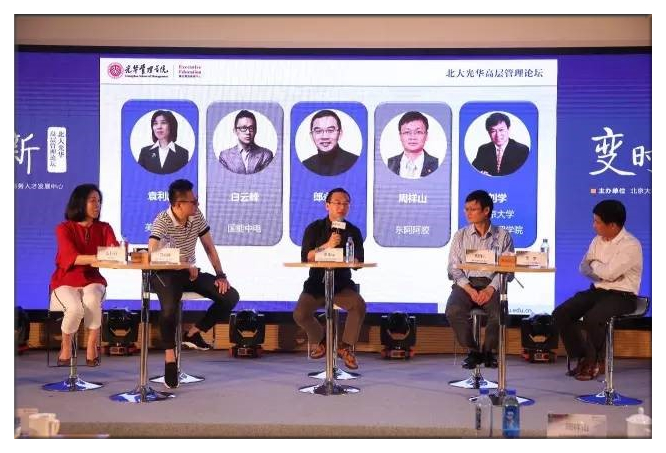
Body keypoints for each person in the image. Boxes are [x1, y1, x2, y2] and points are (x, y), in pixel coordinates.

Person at [148, 179, 240, 388]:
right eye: (193, 201)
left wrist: (220, 275)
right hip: (164, 274)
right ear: (178, 205)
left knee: (230, 296)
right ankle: (170, 358)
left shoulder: (196, 216)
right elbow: (152, 253)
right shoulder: (162, 220)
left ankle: (194, 332)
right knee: (169, 309)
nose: (197, 204)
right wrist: (183, 263)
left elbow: (209, 246)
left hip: (189, 273)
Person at [552, 200, 642, 381]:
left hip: (623, 296)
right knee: (561, 313)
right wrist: (600, 269)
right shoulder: (597, 241)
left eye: (598, 222)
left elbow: (609, 273)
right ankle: (583, 357)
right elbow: (583, 267)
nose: (594, 225)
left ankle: (594, 362)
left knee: (593, 317)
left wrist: (595, 266)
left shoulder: (630, 245)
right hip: (597, 291)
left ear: (613, 225)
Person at [293, 188, 366, 369]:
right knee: (300, 314)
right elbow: (306, 257)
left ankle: (346, 347)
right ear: (327, 205)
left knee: (358, 305)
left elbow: (358, 262)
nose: (342, 207)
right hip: (316, 285)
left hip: (341, 285)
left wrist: (351, 258)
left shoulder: (353, 231)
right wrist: (327, 245)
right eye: (337, 203)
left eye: (346, 203)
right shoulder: (314, 228)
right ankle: (322, 340)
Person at [49, 184, 119, 367]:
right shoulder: (64, 228)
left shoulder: (104, 228)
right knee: (75, 308)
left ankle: (92, 345)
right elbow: (72, 257)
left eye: (99, 201)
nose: (98, 205)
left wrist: (116, 251)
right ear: (80, 203)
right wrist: (99, 256)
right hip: (65, 279)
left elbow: (114, 253)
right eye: (93, 200)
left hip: (92, 278)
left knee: (92, 299)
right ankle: (66, 345)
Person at [445, 189, 514, 369]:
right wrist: (469, 289)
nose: (468, 213)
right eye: (466, 209)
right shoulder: (460, 235)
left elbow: (508, 270)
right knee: (453, 310)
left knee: (499, 313)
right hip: (465, 285)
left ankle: (488, 351)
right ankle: (473, 351)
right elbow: (453, 268)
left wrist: (490, 289)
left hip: (491, 285)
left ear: (486, 211)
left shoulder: (503, 236)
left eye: (473, 209)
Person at [302, 110, 358, 176]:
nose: (324, 136)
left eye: (330, 130)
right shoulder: (306, 165)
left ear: (340, 134)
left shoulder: (355, 162)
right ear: (311, 136)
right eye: (318, 131)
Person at [471, 112, 529, 176]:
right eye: (493, 131)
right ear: (489, 133)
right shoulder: (483, 149)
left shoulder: (522, 150)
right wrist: (481, 174)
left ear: (508, 129)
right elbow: (472, 172)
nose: (498, 135)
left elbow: (523, 175)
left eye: (501, 130)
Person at [218, 110, 274, 174]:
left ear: (255, 131)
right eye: (243, 128)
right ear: (235, 131)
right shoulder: (225, 156)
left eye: (251, 128)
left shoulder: (266, 155)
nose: (248, 132)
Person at [387, 111, 439, 178]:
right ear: (400, 136)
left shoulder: (436, 164)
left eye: (418, 132)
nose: (412, 137)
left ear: (426, 136)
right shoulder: (389, 164)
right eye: (407, 132)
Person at [137, 110, 189, 174]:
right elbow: (139, 176)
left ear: (172, 125)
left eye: (163, 123)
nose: (159, 127)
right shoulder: (145, 152)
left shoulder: (182, 153)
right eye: (155, 123)